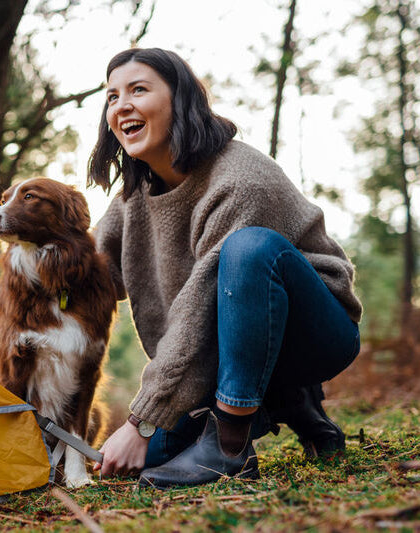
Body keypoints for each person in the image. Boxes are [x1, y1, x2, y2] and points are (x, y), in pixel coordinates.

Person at [88, 47, 362, 489]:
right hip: (223, 350)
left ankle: (231, 443)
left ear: (180, 99)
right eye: (112, 96)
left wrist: (140, 421)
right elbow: (93, 271)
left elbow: (197, 308)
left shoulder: (240, 179)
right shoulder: (133, 196)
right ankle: (291, 402)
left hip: (315, 335)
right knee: (150, 459)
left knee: (248, 249)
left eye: (138, 89)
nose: (122, 106)